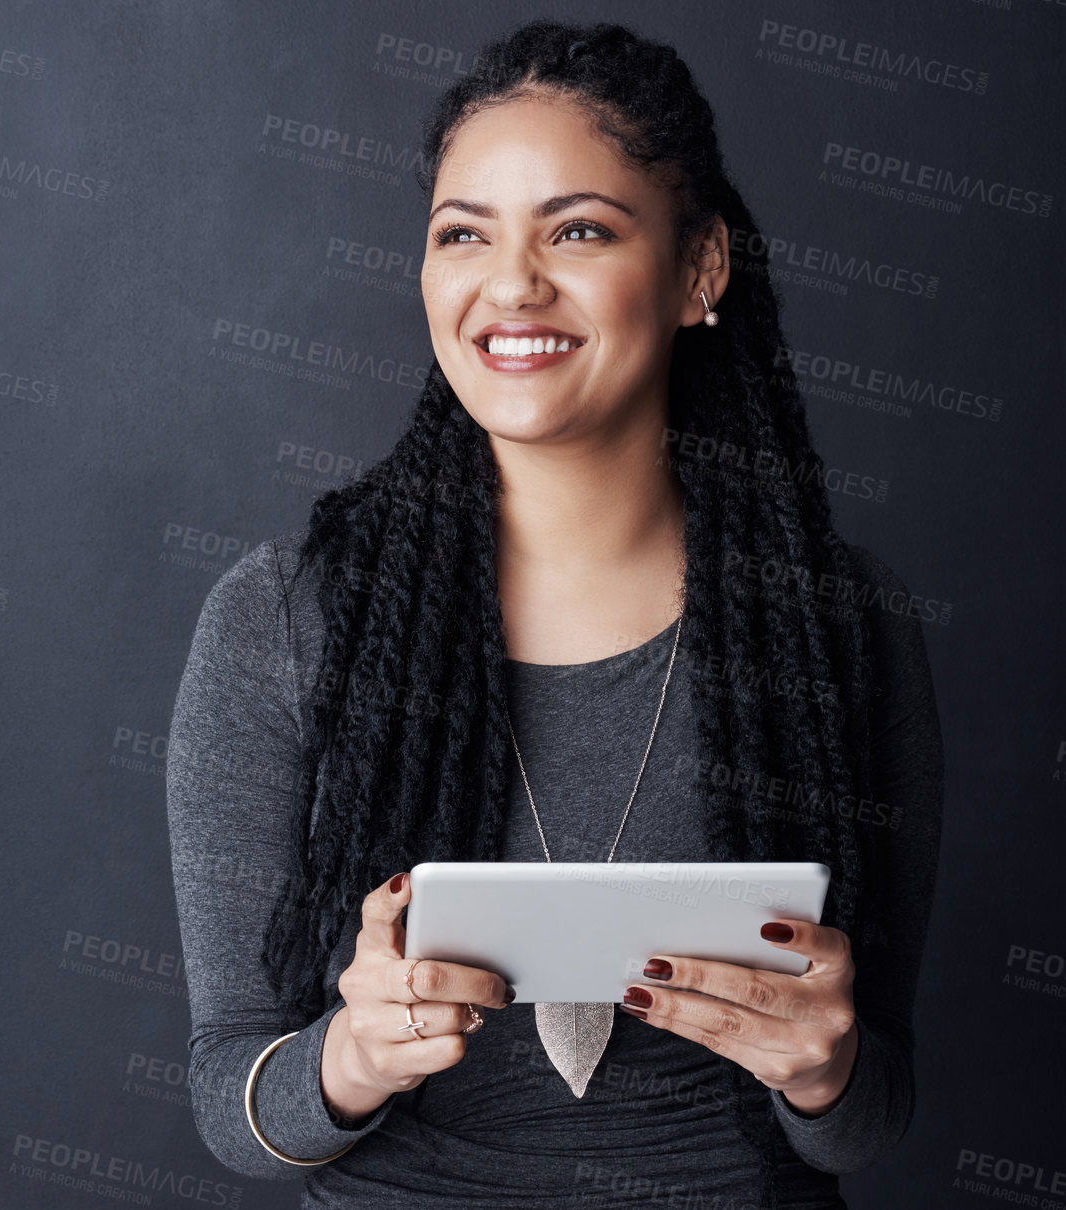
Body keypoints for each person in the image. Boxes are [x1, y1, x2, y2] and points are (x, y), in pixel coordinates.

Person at [165, 19, 944, 1210]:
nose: (510, 282)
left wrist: (825, 1070)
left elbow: (867, 1120)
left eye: (577, 229)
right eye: (462, 234)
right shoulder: (284, 616)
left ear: (698, 271)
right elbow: (230, 1098)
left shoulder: (837, 622)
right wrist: (350, 1058)